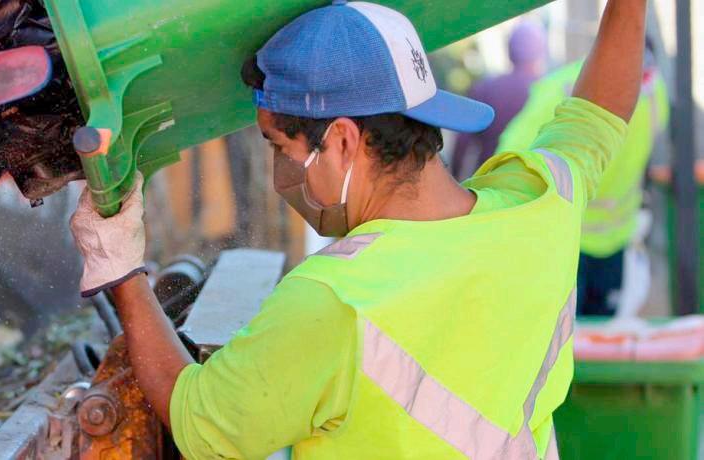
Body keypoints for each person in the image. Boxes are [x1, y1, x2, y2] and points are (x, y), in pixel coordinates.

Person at [69, 0, 647, 458]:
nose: (278, 175)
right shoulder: (541, 203)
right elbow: (599, 115)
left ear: (343, 140)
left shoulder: (335, 300)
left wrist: (122, 271)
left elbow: (201, 425)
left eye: (279, 147)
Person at [496, 50, 669, 316]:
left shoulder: (561, 86)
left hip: (563, 238)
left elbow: (508, 157)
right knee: (600, 330)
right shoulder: (655, 94)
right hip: (612, 237)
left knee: (562, 332)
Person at [450, 21, 548, 180]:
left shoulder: (485, 88)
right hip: (534, 186)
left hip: (488, 183)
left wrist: (455, 179)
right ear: (541, 52)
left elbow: (462, 144)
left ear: (509, 51)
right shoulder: (549, 93)